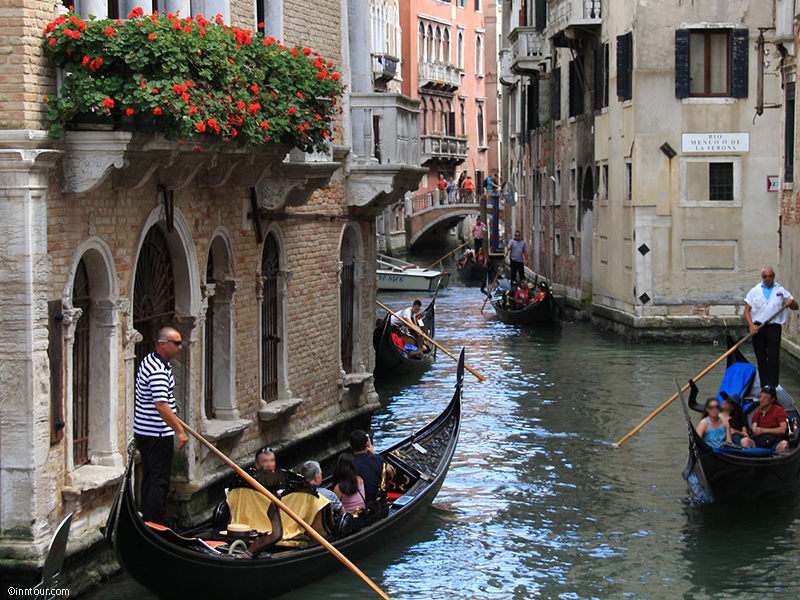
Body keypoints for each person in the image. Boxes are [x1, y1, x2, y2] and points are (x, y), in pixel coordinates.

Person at [133, 327, 189, 525]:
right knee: (159, 482)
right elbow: (161, 405)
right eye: (176, 343)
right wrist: (180, 432)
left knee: (151, 479)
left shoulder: (153, 362)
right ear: (163, 344)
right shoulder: (156, 369)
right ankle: (156, 526)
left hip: (147, 432)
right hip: (156, 434)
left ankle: (150, 521)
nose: (180, 347)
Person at [744, 266, 798, 387]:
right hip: (758, 328)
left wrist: (791, 303)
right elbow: (746, 311)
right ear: (762, 277)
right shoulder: (754, 291)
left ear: (773, 276)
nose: (768, 278)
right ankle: (764, 386)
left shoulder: (781, 290)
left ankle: (773, 387)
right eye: (765, 276)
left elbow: (796, 306)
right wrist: (751, 325)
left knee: (773, 358)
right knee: (761, 357)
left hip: (774, 328)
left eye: (770, 276)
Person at [350, 430, 394, 502]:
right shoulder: (377, 459)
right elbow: (390, 473)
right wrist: (373, 452)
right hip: (377, 502)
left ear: (350, 446)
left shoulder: (349, 464)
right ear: (367, 444)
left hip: (360, 505)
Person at [750, 386, 790, 453]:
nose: (762, 399)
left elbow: (783, 430)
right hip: (759, 442)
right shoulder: (757, 413)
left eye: (765, 398)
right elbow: (754, 429)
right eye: (761, 397)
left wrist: (763, 431)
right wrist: (755, 431)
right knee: (745, 441)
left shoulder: (779, 410)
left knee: (784, 444)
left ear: (772, 399)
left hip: (775, 441)